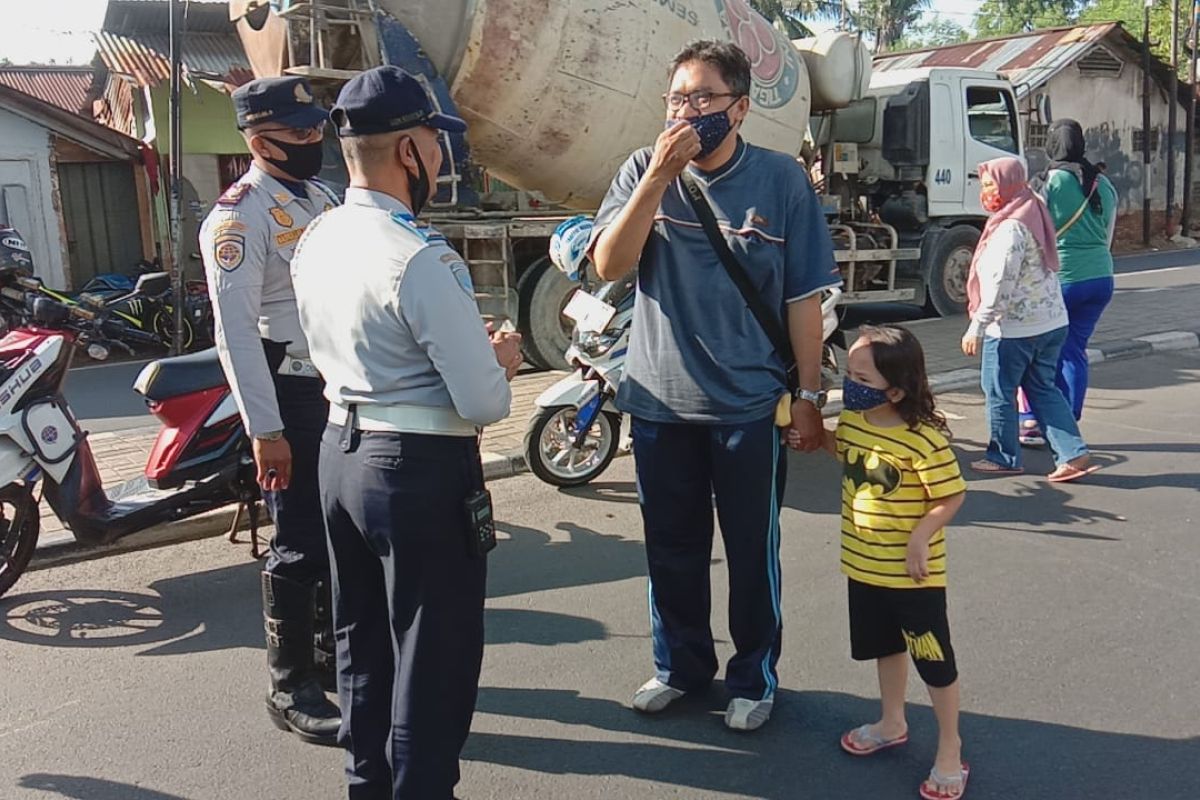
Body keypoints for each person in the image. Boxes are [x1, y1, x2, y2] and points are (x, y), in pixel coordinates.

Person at [589, 40, 842, 731]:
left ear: (740, 108)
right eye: (677, 98)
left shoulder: (781, 181)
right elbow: (610, 264)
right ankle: (680, 667)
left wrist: (812, 398)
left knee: (752, 552)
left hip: (747, 406)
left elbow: (801, 301)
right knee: (670, 547)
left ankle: (754, 675)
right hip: (659, 400)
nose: (687, 111)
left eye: (703, 98)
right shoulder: (643, 169)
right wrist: (655, 182)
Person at [290, 65, 522, 799]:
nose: (444, 157)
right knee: (434, 654)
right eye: (435, 139)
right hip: (417, 465)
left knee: (361, 645)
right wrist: (500, 359)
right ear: (409, 150)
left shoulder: (317, 234)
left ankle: (368, 785)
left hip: (339, 451)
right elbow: (483, 400)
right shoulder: (419, 255)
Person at [198, 76, 341, 745]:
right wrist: (267, 431)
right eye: (300, 134)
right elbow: (234, 332)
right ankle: (289, 684)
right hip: (289, 396)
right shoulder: (239, 216)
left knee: (342, 532)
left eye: (317, 130)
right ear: (259, 140)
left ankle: (330, 654)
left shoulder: (323, 195)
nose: (315, 142)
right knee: (299, 539)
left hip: (338, 387)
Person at [814, 325, 968, 800]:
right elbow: (841, 449)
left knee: (934, 661)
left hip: (912, 577)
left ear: (897, 389)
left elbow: (951, 496)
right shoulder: (856, 423)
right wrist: (809, 434)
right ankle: (892, 720)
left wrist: (921, 536)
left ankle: (949, 747)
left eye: (863, 378)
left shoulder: (925, 440)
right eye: (850, 373)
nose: (851, 384)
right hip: (863, 566)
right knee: (885, 647)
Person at [961, 156, 1094, 482]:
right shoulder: (1032, 209)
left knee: (998, 390)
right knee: (1042, 388)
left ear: (1008, 184)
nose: (986, 191)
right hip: (1050, 322)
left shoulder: (1009, 228)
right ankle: (1072, 454)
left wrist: (977, 325)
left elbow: (1000, 283)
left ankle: (1003, 457)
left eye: (991, 184)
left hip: (1013, 329)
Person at [1019, 119, 1118, 443]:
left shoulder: (1048, 182)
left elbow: (1032, 234)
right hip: (1100, 278)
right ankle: (1068, 417)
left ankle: (1034, 420)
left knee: (1037, 350)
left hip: (1061, 279)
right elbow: (1107, 237)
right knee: (1074, 349)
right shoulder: (1103, 183)